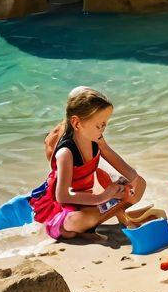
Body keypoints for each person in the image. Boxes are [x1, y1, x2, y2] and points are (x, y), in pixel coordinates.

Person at [29, 87, 146, 241]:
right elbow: (62, 196)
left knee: (140, 185)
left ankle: (96, 222)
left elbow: (132, 175)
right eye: (99, 125)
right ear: (77, 124)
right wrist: (103, 197)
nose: (103, 130)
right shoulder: (66, 153)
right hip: (64, 206)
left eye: (105, 124)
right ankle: (86, 225)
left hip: (88, 198)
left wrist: (123, 184)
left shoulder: (96, 141)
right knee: (80, 220)